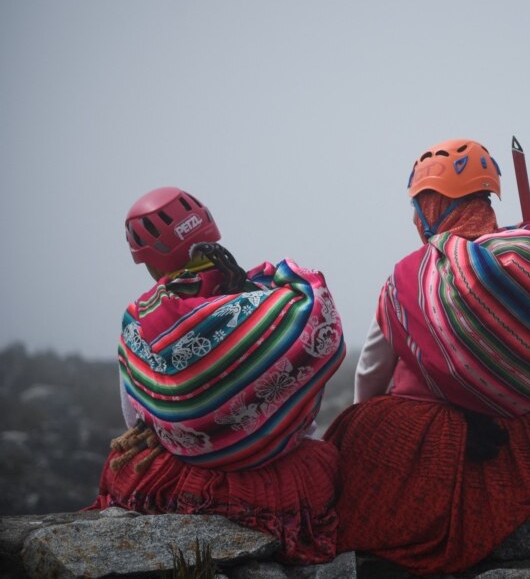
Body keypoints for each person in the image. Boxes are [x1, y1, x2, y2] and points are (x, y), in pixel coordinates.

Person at [325, 138, 530, 575]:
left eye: (419, 206)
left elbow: (370, 370)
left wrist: (370, 425)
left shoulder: (412, 276)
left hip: (430, 445)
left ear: (431, 207)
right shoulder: (526, 258)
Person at [87, 187, 346, 564]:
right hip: (285, 478)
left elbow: (138, 420)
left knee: (124, 463)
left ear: (151, 261)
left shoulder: (140, 320)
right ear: (210, 232)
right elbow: (308, 389)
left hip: (182, 479)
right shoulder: (271, 300)